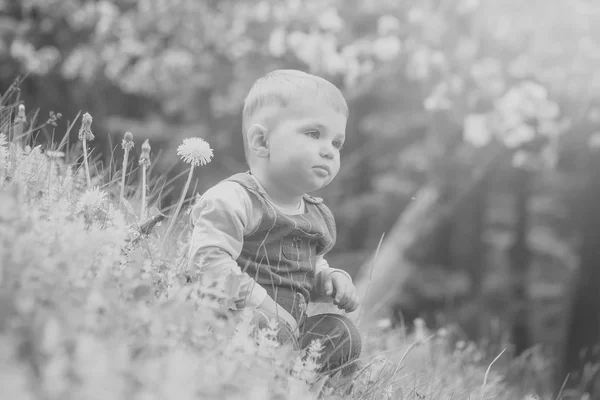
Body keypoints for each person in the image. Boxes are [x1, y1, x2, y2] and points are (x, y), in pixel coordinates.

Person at [188, 69, 361, 375]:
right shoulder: (234, 198)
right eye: (313, 134)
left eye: (337, 143)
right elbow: (208, 261)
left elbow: (308, 265)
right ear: (261, 141)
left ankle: (310, 388)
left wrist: (328, 278)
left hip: (289, 333)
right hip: (231, 323)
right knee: (264, 327)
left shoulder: (314, 214)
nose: (328, 150)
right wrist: (264, 306)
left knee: (342, 334)